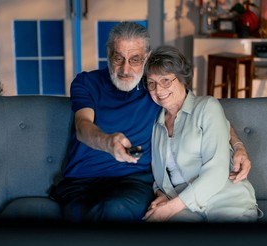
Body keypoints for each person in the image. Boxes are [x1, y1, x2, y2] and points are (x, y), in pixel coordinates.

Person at [49, 21, 251, 222]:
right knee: (82, 214)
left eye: (135, 59)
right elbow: (83, 127)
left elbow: (205, 111)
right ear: (108, 55)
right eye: (118, 58)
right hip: (82, 179)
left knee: (115, 210)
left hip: (132, 181)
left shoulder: (155, 87)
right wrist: (107, 142)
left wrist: (238, 145)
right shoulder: (88, 83)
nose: (125, 69)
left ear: (146, 58)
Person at [143, 45, 259, 222]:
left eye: (166, 80)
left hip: (224, 198)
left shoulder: (207, 107)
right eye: (152, 83)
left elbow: (217, 171)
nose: (158, 90)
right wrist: (161, 194)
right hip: (182, 203)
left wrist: (169, 209)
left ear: (182, 78)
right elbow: (159, 177)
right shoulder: (156, 124)